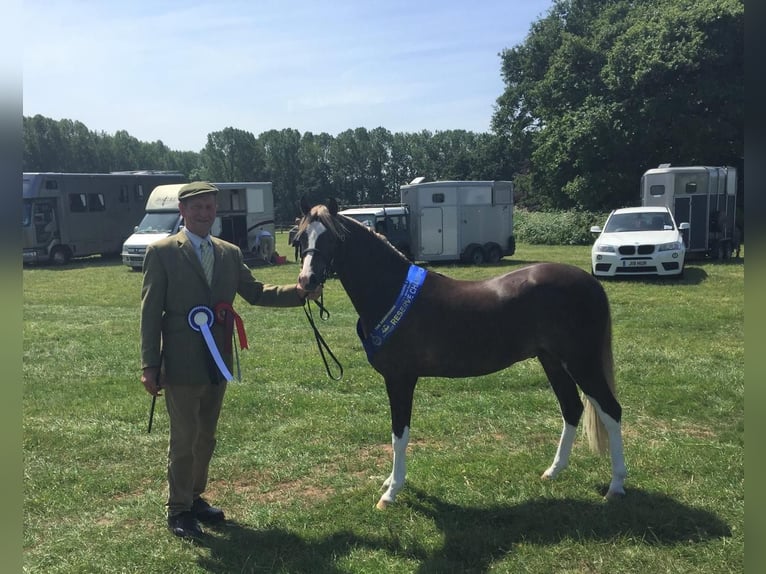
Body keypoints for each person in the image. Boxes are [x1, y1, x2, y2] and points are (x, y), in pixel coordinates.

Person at [140, 181, 320, 540]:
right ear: (182, 211)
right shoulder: (162, 252)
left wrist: (299, 294)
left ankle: (194, 497)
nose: (204, 213)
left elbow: (255, 293)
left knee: (206, 436)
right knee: (184, 437)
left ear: (215, 211)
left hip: (218, 359)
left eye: (209, 207)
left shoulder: (229, 253)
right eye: (197, 207)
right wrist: (149, 365)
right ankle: (178, 510)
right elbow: (149, 312)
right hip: (179, 363)